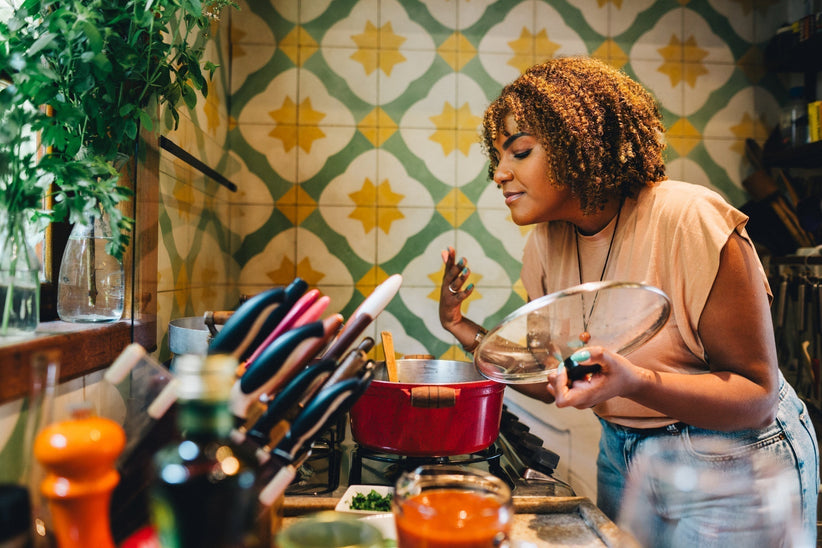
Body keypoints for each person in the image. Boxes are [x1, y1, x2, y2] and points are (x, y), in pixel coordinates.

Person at [439, 56, 819, 544]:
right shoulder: (543, 245)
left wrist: (633, 381)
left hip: (733, 456)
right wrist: (460, 325)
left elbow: (756, 398)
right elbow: (554, 373)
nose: (500, 174)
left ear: (579, 145)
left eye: (520, 152)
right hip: (622, 451)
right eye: (498, 158)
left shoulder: (691, 219)